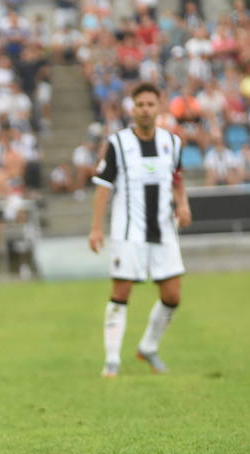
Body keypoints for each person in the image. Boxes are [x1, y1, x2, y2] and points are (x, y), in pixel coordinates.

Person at [89, 82, 191, 378]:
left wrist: (183, 204)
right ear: (132, 109)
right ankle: (112, 360)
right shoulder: (118, 143)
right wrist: (96, 228)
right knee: (121, 292)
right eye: (140, 105)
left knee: (172, 295)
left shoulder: (171, 142)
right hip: (128, 231)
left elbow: (178, 178)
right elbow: (103, 188)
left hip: (164, 230)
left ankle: (148, 347)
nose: (145, 110)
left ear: (158, 107)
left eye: (150, 104)